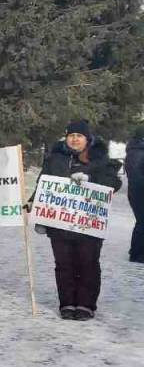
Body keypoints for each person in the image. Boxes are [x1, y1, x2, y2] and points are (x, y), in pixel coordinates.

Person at [36, 120, 121, 320]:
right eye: (71, 135)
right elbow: (43, 183)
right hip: (59, 222)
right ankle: (67, 303)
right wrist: (35, 208)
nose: (75, 139)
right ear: (66, 138)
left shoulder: (99, 159)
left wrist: (91, 181)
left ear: (87, 139)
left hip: (88, 222)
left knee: (88, 262)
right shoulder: (54, 158)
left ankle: (85, 304)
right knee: (64, 264)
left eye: (79, 136)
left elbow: (113, 182)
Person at [126, 126, 144, 263]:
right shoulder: (141, 153)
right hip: (140, 190)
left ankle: (135, 251)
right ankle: (137, 255)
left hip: (133, 191)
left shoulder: (132, 151)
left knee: (140, 221)